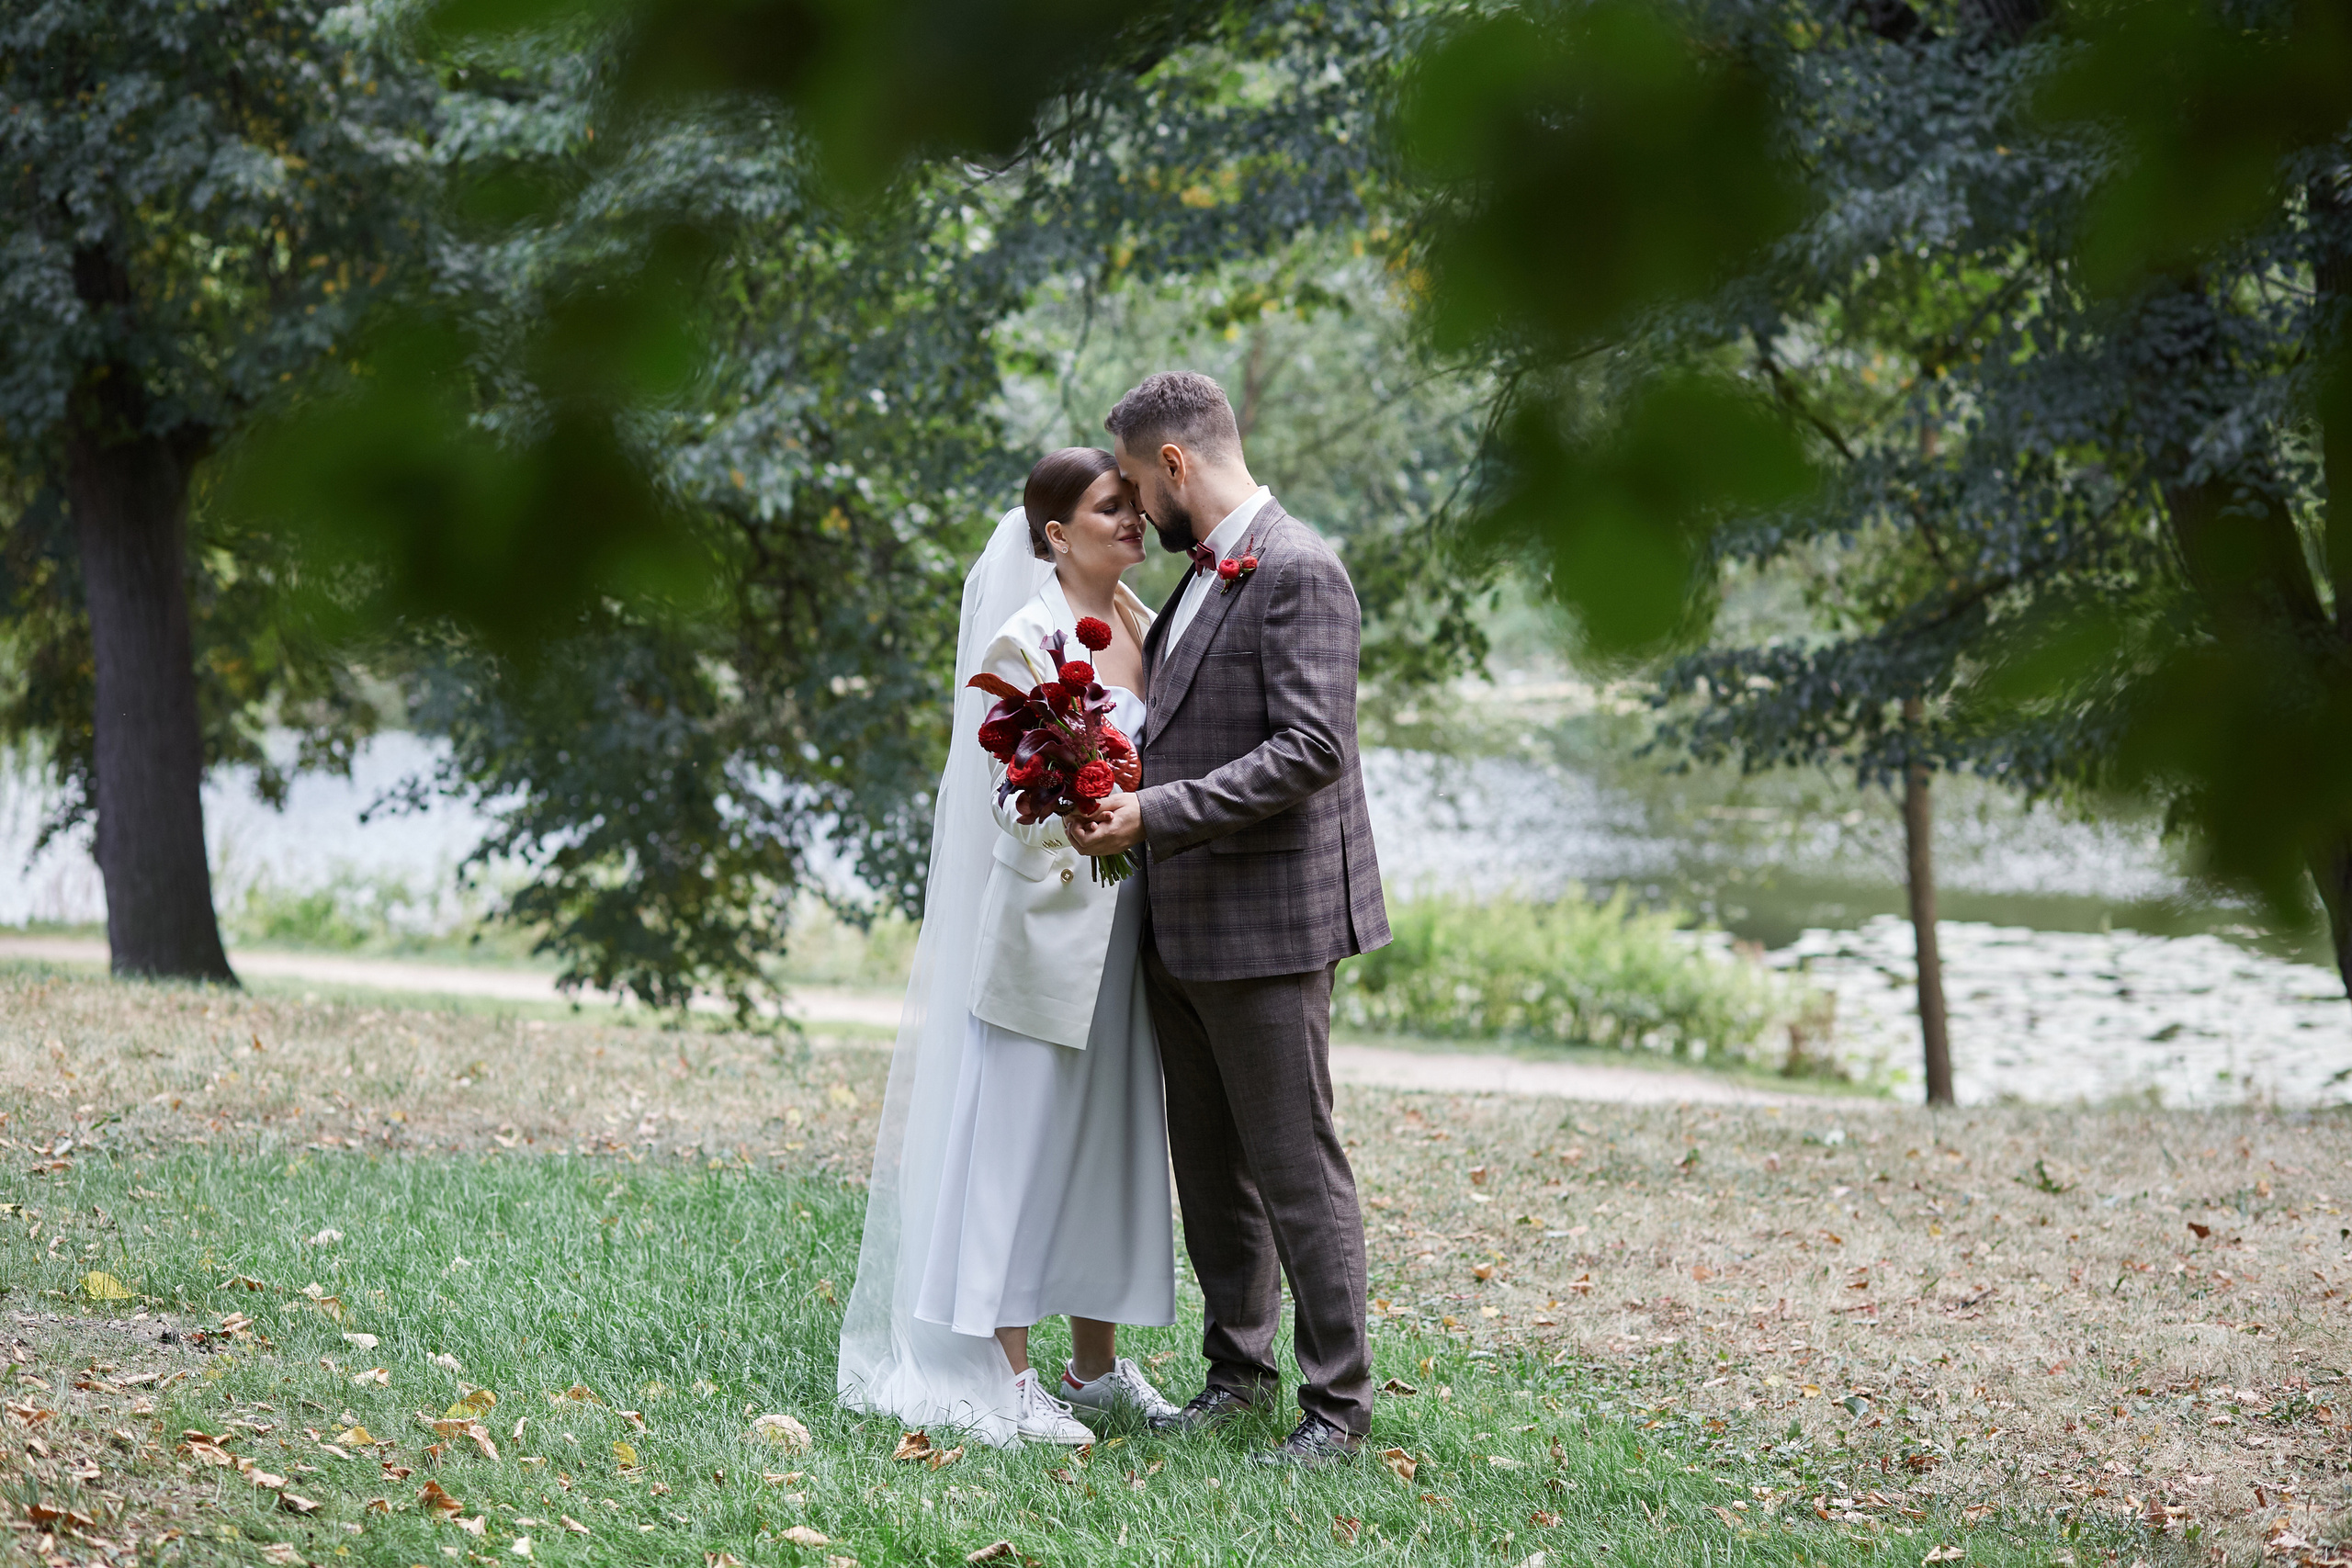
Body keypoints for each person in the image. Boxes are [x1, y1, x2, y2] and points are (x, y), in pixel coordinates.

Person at [1071, 371, 1392, 1467]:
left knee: (1295, 1167)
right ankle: (1237, 1378)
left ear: (1173, 465)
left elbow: (1311, 750)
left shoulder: (1301, 569)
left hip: (1269, 928)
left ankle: (1338, 1413)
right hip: (1184, 922)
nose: (1128, 504)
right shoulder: (1204, 579)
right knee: (1210, 1171)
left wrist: (1147, 812)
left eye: (1129, 480)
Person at [837, 448, 1180, 1446]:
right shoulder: (1023, 642)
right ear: (1056, 536)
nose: (1133, 522)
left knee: (1112, 1140)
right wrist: (1085, 804)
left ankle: (1096, 1369)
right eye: (1109, 509)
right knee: (1019, 1147)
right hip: (1047, 935)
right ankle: (1006, 1373)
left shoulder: (1143, 627)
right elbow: (1005, 800)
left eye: (1133, 506)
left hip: (1131, 937)